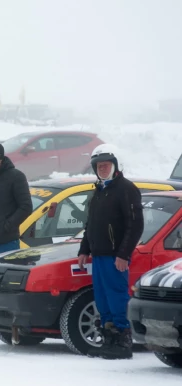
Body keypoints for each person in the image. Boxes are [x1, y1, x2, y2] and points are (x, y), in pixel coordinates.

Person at [78, 144, 143, 360]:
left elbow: (135, 225)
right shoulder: (98, 191)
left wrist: (124, 255)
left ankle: (123, 342)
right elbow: (91, 224)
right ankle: (108, 339)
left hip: (116, 258)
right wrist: (84, 249)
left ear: (114, 166)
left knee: (117, 297)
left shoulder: (126, 189)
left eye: (106, 165)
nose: (102, 169)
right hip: (98, 255)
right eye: (99, 166)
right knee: (102, 298)